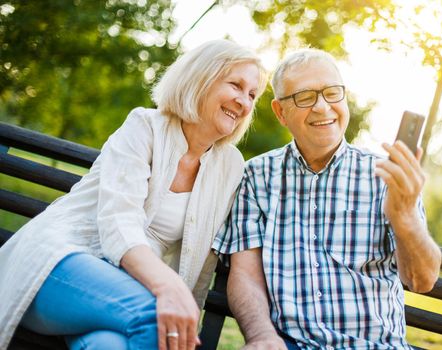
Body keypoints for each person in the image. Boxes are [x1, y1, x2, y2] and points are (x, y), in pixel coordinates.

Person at [0, 39, 266, 350]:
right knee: (157, 320)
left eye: (252, 95)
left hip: (122, 294)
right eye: (235, 85)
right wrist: (168, 288)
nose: (244, 102)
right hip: (60, 263)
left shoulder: (230, 165)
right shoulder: (144, 126)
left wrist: (183, 305)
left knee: (110, 346)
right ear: (200, 78)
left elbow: (203, 259)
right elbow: (119, 220)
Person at [212, 48, 442, 349]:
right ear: (281, 112)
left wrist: (406, 217)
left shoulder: (388, 178)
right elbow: (245, 275)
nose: (323, 107)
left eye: (332, 93)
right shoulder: (256, 177)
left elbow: (421, 280)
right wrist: (262, 336)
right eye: (305, 97)